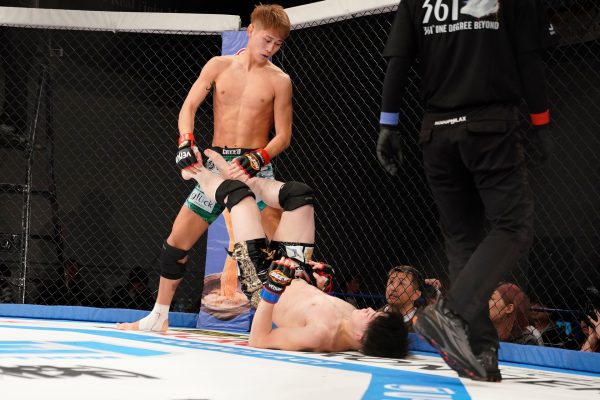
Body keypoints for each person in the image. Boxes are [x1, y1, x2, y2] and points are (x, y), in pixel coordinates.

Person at [377, 0, 555, 381]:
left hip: (436, 132)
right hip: (489, 125)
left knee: (462, 239)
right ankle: (450, 313)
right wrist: (541, 122)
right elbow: (529, 58)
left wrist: (388, 125)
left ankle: (480, 351)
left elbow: (398, 61)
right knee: (514, 225)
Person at [117, 4, 293, 332]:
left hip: (254, 169)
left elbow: (283, 136)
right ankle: (158, 317)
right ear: (251, 31)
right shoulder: (218, 66)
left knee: (269, 251)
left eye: (278, 44)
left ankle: (281, 324)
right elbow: (189, 107)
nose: (271, 48)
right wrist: (186, 141)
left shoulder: (280, 80)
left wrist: (259, 157)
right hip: (216, 166)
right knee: (176, 242)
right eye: (267, 40)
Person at [174, 149, 408, 357]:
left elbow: (259, 339)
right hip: (294, 270)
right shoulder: (351, 315)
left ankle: (196, 172)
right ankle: (243, 178)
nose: (369, 310)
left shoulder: (319, 336)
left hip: (263, 281)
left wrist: (272, 289)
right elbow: (306, 304)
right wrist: (319, 283)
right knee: (299, 196)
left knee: (239, 198)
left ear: (360, 337)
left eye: (372, 316)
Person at [382, 265, 441, 330]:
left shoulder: (424, 324)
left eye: (401, 283)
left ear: (416, 294)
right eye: (391, 282)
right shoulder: (375, 317)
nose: (393, 288)